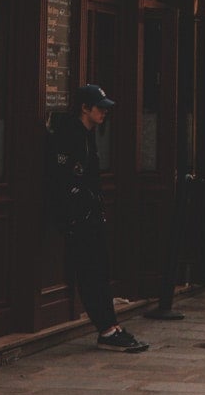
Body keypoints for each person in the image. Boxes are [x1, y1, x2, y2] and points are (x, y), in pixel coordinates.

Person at [45, 85, 148, 353]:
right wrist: (79, 211)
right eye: (99, 107)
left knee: (100, 270)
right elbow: (63, 179)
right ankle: (105, 329)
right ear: (84, 108)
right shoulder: (70, 135)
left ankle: (111, 325)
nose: (104, 112)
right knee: (91, 272)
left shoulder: (87, 134)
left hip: (90, 215)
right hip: (79, 218)